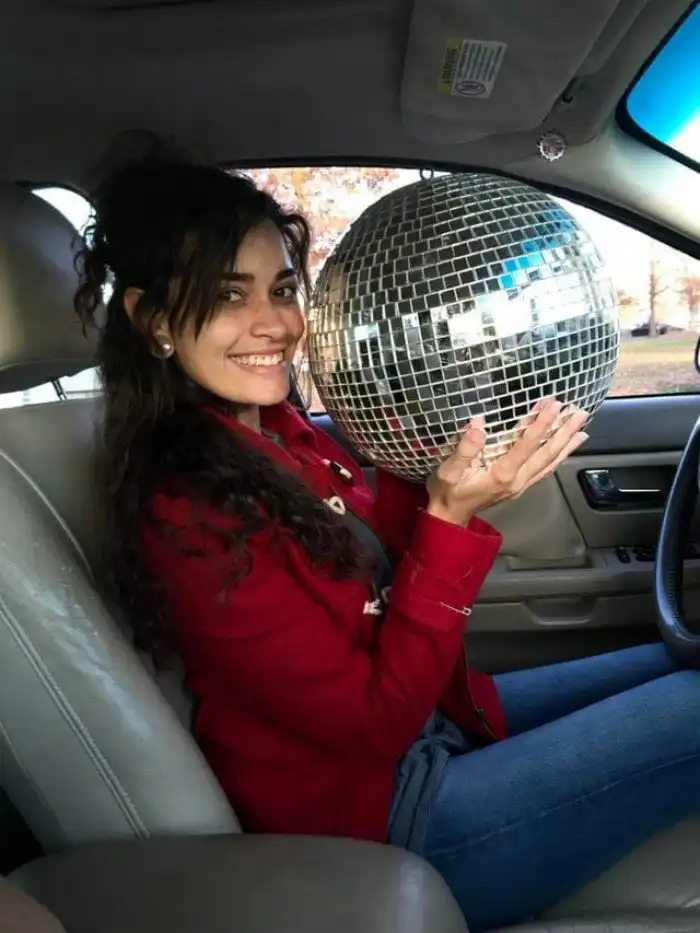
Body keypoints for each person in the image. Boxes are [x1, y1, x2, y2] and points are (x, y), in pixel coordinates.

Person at [74, 150, 700, 933]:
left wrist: (440, 464)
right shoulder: (187, 508)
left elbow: (375, 568)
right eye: (228, 296)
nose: (276, 324)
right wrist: (449, 519)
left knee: (684, 658)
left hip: (435, 732)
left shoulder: (278, 434)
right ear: (154, 320)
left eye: (282, 289)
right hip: (385, 820)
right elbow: (373, 723)